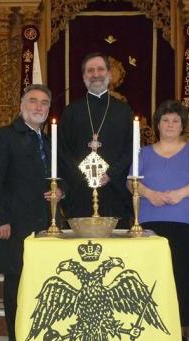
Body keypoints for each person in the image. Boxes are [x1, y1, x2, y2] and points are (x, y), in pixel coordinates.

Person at [0, 84, 62, 341]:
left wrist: (61, 191)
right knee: (16, 277)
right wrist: (1, 218)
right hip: (15, 222)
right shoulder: (4, 137)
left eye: (44, 103)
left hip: (46, 222)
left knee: (45, 278)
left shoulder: (49, 141)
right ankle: (16, 335)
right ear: (21, 106)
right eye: (33, 101)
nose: (39, 107)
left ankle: (41, 330)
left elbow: (61, 176)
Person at [132, 99, 189, 341]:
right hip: (150, 222)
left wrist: (180, 194)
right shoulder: (143, 153)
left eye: (175, 120)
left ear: (182, 125)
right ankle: (152, 329)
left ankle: (180, 329)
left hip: (186, 223)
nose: (170, 124)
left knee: (183, 277)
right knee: (152, 278)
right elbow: (131, 181)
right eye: (165, 120)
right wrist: (149, 194)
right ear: (157, 124)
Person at [58, 52, 133, 228]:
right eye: (90, 70)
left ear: (109, 74)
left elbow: (131, 149)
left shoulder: (123, 111)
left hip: (115, 191)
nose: (96, 74)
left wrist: (110, 174)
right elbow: (63, 152)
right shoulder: (71, 111)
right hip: (79, 192)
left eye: (100, 69)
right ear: (84, 76)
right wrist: (83, 175)